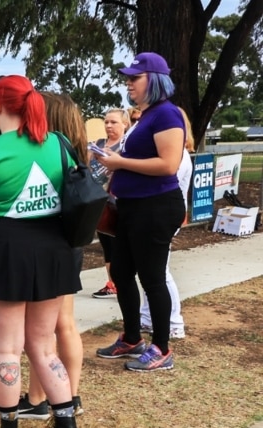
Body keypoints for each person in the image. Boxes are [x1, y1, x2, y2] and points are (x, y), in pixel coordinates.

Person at [0, 76, 81, 428]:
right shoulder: (58, 144)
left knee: (7, 350)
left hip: (6, 251)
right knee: (44, 347)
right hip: (53, 250)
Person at [94, 52, 185, 373]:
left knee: (152, 278)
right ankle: (132, 338)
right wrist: (114, 167)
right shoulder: (146, 116)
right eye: (128, 78)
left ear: (155, 80)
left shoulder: (166, 115)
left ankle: (161, 348)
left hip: (156, 206)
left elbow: (168, 164)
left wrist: (119, 163)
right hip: (133, 207)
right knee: (120, 271)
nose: (128, 83)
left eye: (135, 78)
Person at [18, 92, 91, 422]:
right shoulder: (75, 153)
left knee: (40, 329)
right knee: (66, 325)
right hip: (72, 241)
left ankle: (37, 398)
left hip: (49, 244)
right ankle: (70, 396)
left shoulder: (46, 151)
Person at [138, 107, 193, 341]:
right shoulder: (173, 152)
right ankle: (148, 316)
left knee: (161, 273)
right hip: (158, 215)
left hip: (164, 216)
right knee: (151, 272)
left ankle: (174, 322)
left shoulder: (177, 155)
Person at [89, 108, 130, 299]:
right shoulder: (98, 143)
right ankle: (112, 282)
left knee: (119, 244)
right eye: (106, 122)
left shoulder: (126, 145)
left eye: (114, 122)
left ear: (125, 124)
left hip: (118, 200)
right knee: (106, 244)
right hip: (98, 200)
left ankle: (123, 281)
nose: (109, 126)